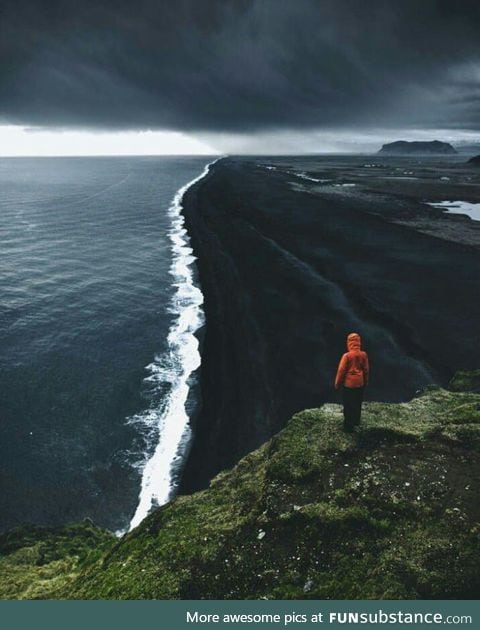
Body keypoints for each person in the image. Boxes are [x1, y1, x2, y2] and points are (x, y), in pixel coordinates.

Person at [334, 332, 369, 432]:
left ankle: (348, 426)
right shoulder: (363, 355)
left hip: (349, 384)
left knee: (348, 403)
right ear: (359, 342)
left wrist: (337, 384)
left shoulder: (347, 356)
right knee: (357, 402)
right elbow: (366, 370)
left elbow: (341, 371)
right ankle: (356, 421)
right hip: (360, 383)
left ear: (349, 343)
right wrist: (366, 381)